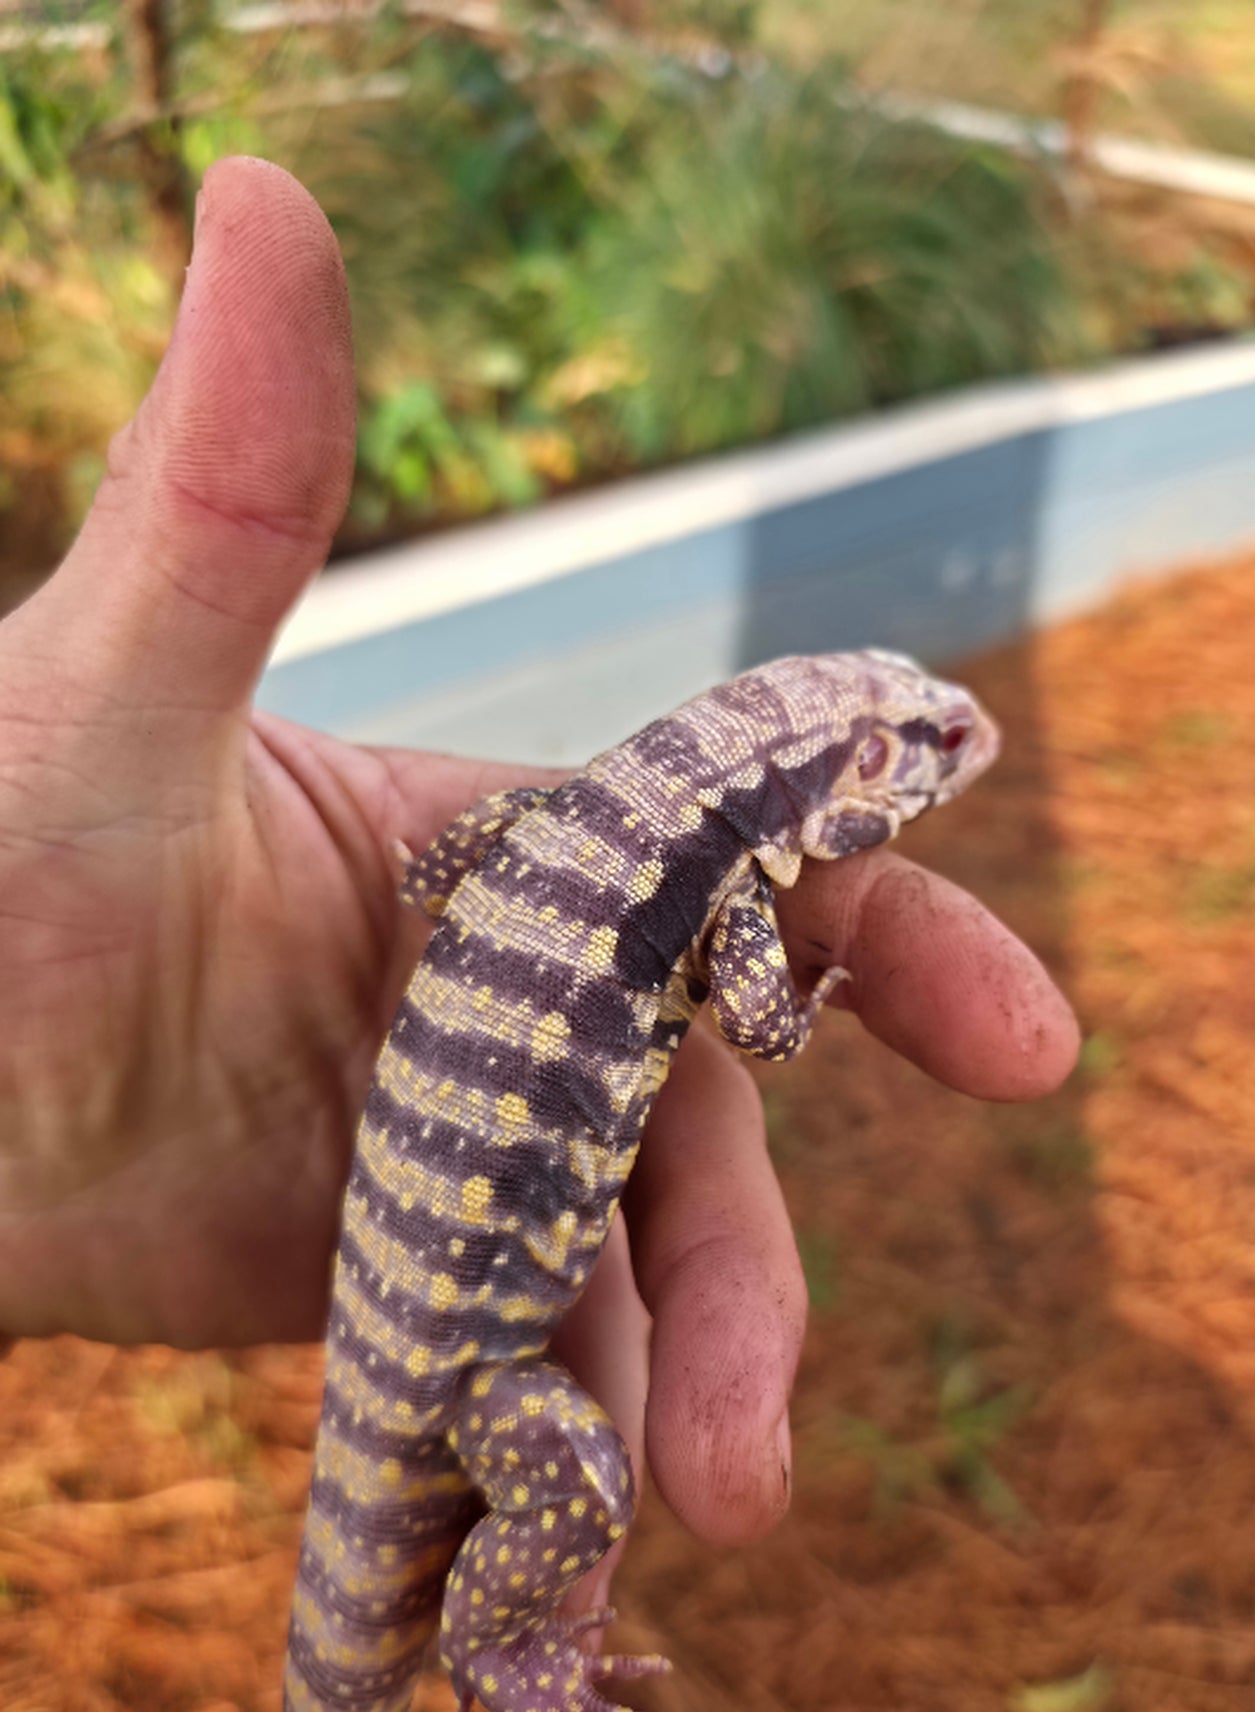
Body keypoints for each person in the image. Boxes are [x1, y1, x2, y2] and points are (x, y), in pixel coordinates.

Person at [0, 157, 1078, 1559]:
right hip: (457, 1327)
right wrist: (803, 996)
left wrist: (412, 881)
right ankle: (511, 1655)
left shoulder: (582, 816)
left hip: (425, 1274)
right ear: (842, 779)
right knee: (580, 1468)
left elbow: (450, 854)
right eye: (918, 738)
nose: (953, 739)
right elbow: (760, 1021)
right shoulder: (723, 889)